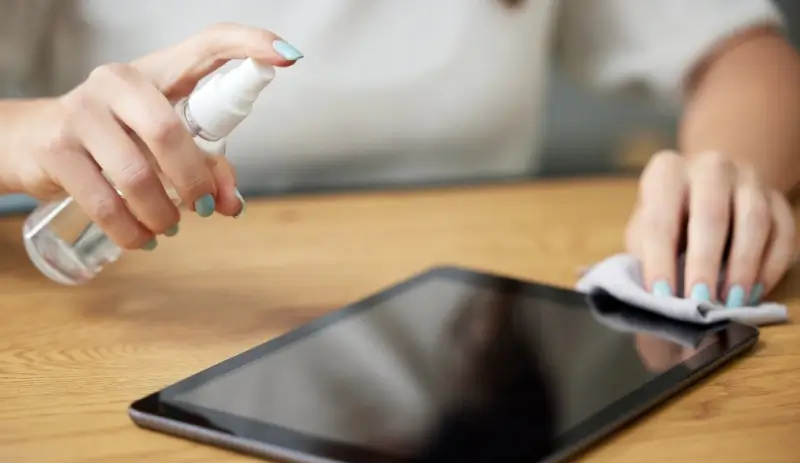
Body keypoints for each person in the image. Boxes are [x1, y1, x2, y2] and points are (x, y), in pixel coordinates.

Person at [0, 0, 797, 309]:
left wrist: (730, 180)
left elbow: (742, 53)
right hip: (151, 330)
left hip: (471, 348)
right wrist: (27, 133)